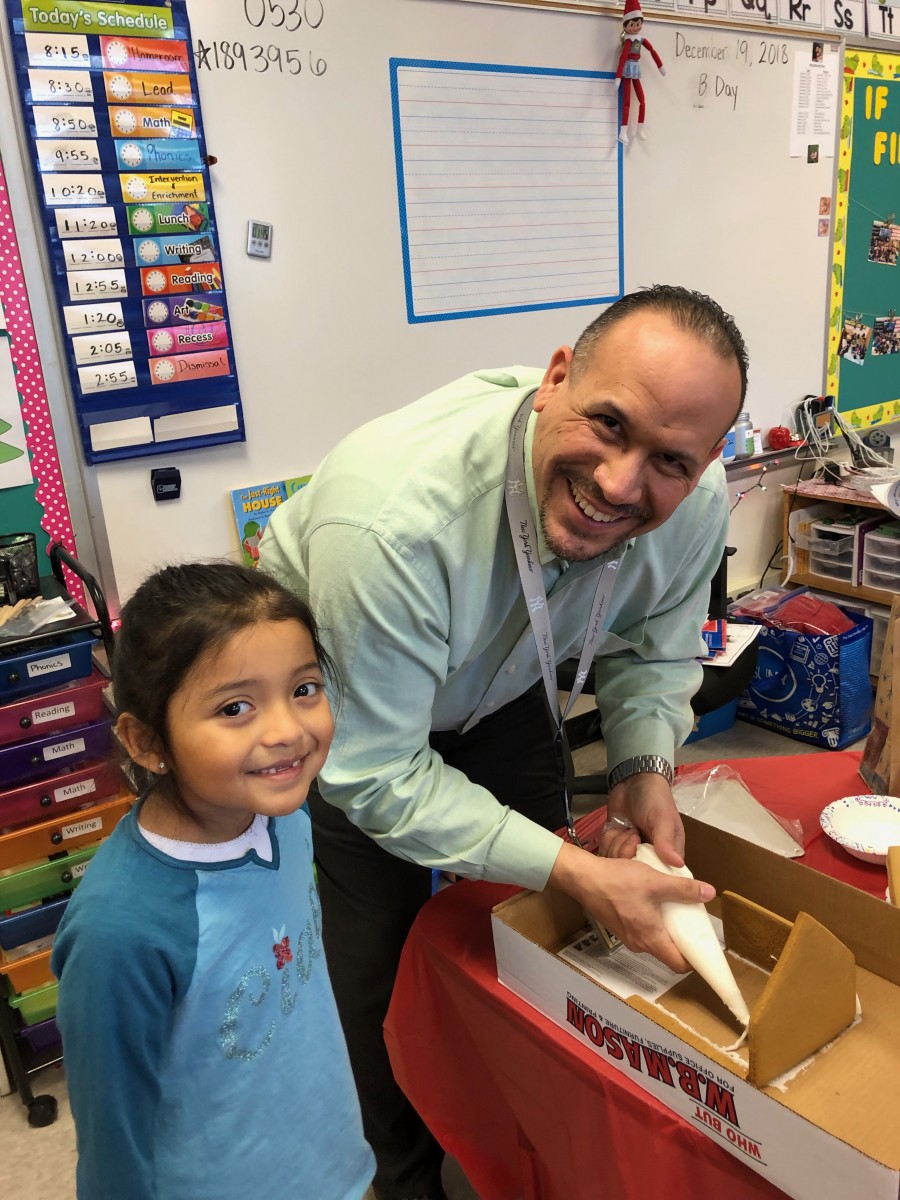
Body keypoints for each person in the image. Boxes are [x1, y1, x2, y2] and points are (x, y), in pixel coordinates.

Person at [260, 283, 747, 1200]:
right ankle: (404, 1179)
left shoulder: (699, 496)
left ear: (710, 458)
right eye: (607, 423)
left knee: (529, 935)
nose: (619, 483)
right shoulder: (392, 520)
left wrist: (645, 768)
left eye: (670, 460)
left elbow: (654, 646)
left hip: (515, 676)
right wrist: (578, 871)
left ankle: (516, 1146)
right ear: (558, 377)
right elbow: (379, 774)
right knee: (381, 960)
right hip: (363, 708)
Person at [51, 562, 375, 1200]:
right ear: (145, 742)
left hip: (332, 1166)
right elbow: (112, 1143)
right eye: (235, 707)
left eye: (305, 688)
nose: (287, 730)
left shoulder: (284, 816)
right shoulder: (121, 932)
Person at [615, 0, 665, 145]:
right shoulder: (629, 41)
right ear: (626, 26)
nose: (636, 27)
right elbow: (623, 57)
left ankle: (640, 128)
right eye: (632, 24)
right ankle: (623, 131)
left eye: (638, 24)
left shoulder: (641, 40)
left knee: (642, 100)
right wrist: (618, 77)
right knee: (627, 102)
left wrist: (660, 66)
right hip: (628, 70)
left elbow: (652, 50)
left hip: (636, 69)